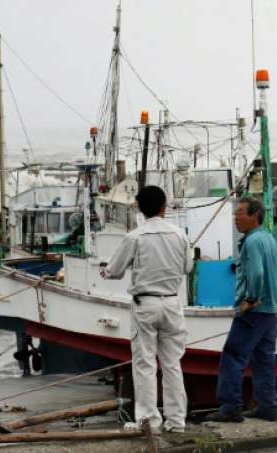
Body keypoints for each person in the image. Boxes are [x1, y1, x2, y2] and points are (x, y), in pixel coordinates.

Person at [101, 185, 192, 433]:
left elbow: (114, 271)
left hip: (146, 304)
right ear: (164, 207)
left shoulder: (135, 237)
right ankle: (176, 421)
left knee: (145, 364)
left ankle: (149, 420)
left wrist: (104, 270)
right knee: (173, 363)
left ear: (140, 208)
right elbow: (187, 267)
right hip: (173, 303)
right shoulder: (180, 235)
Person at [206, 196, 277, 423]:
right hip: (269, 311)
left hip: (254, 311)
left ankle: (230, 407)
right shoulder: (269, 239)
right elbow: (273, 273)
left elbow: (256, 273)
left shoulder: (250, 242)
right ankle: (267, 406)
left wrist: (250, 299)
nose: (236, 218)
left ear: (254, 215)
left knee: (233, 355)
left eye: (240, 214)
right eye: (235, 214)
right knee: (263, 359)